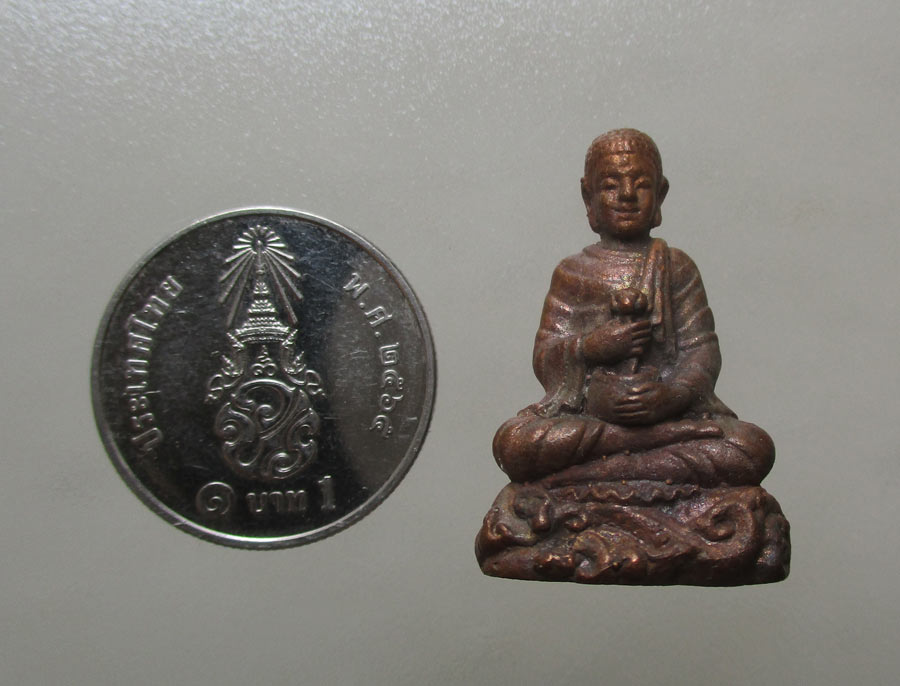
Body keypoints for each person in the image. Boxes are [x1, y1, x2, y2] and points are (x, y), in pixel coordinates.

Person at [492, 129, 774, 488]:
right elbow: (545, 355)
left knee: (751, 447)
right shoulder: (572, 272)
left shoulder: (677, 267)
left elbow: (701, 353)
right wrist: (591, 347)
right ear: (588, 197)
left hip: (664, 414)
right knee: (514, 443)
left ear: (661, 194)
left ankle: (599, 466)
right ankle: (641, 446)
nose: (626, 195)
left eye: (641, 185)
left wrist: (669, 397)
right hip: (596, 419)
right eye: (611, 186)